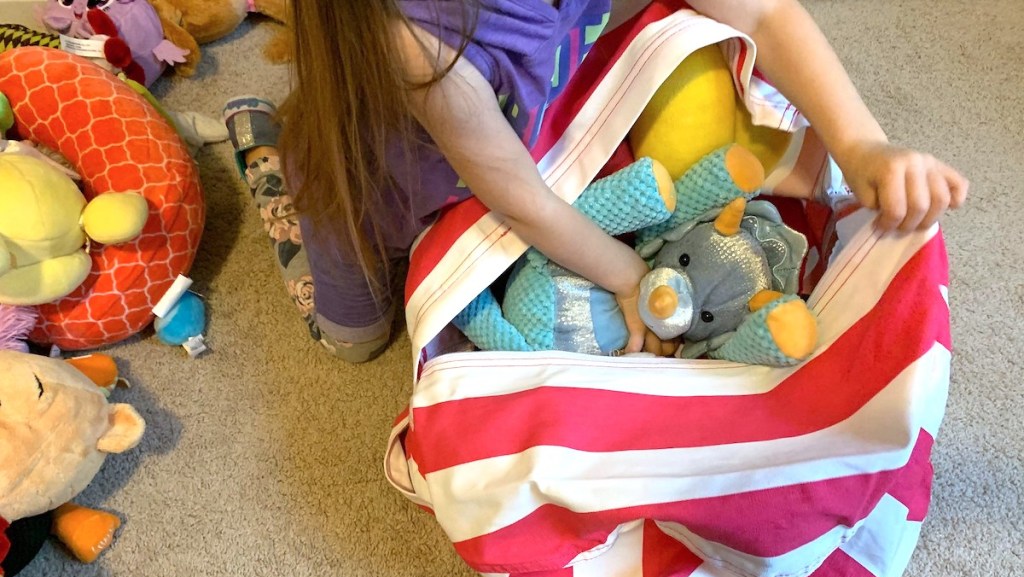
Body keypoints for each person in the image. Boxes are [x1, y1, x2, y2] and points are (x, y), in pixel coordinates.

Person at [223, 0, 968, 363]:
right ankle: (268, 165)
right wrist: (629, 277)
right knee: (355, 343)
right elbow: (520, 202)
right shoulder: (412, 35)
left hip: (507, 146)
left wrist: (863, 144)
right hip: (374, 193)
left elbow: (764, 12)